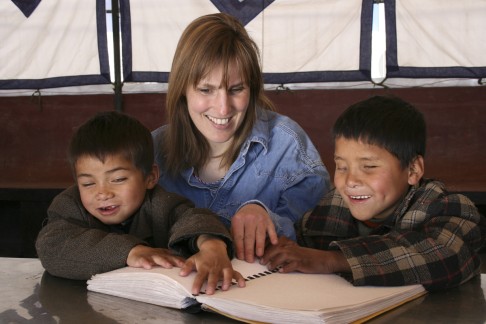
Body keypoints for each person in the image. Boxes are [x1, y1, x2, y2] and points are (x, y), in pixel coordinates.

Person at [152, 13, 330, 263]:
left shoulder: (288, 145)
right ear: (182, 89)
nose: (223, 109)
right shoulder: (152, 150)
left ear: (253, 88)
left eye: (236, 89)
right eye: (206, 90)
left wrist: (267, 217)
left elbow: (323, 233)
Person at [261, 95, 486, 291]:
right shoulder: (331, 207)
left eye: (368, 167)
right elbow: (299, 247)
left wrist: (333, 260)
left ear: (413, 169)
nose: (350, 181)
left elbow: (447, 256)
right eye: (341, 166)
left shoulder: (450, 208)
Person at [36, 111, 245, 295]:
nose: (102, 193)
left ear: (150, 177)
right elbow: (51, 245)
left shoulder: (159, 203)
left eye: (118, 179)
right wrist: (130, 252)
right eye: (88, 183)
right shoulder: (70, 206)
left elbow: (193, 218)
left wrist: (211, 246)